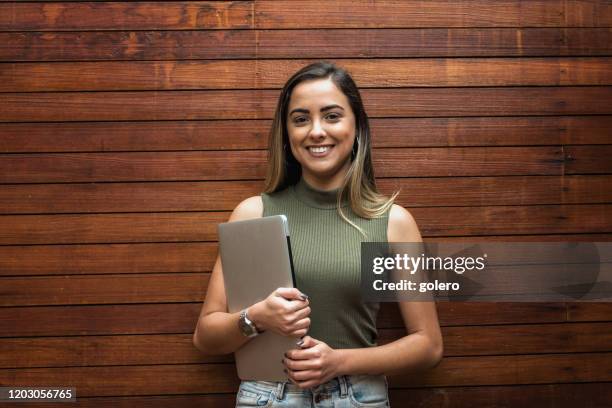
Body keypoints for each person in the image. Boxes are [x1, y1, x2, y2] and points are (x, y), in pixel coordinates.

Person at [193, 61, 443, 407]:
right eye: (300, 119)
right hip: (268, 396)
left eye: (331, 116)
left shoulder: (392, 222)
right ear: (287, 134)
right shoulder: (253, 214)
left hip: (355, 396)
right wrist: (257, 318)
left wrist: (338, 361)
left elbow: (428, 345)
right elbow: (206, 337)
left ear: (357, 127)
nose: (315, 131)